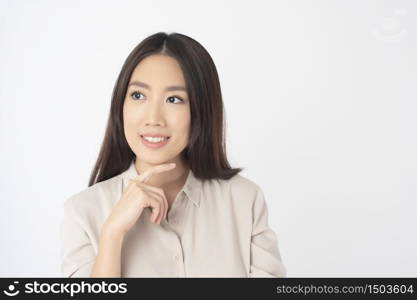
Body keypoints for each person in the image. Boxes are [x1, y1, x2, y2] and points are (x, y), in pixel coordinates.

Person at [59, 32, 287, 278]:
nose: (153, 118)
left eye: (174, 99)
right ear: (120, 105)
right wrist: (112, 234)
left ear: (202, 110)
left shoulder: (244, 201)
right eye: (138, 95)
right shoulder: (83, 212)